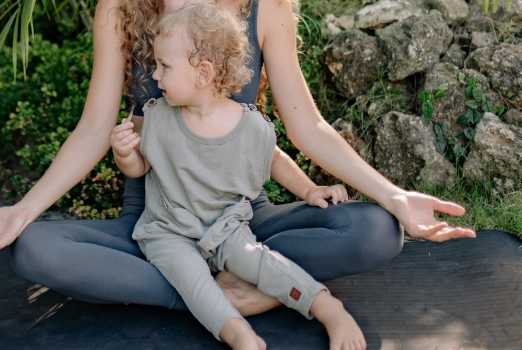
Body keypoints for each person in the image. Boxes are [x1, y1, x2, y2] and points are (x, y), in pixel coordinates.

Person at [0, 0, 474, 340]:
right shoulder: (119, 8)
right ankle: (243, 294)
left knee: (376, 229)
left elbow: (307, 127)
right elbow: (94, 130)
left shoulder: (266, 8)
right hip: (157, 221)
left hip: (243, 216)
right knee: (36, 250)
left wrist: (393, 195)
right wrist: (24, 211)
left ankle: (213, 288)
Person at [108, 3, 364, 349]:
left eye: (164, 66)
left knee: (261, 262)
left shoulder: (248, 123)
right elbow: (141, 167)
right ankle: (240, 335)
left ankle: (329, 309)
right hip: (168, 231)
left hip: (227, 226)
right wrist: (125, 154)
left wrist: (309, 189)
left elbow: (273, 158)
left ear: (203, 73)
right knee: (192, 278)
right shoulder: (155, 116)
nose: (154, 77)